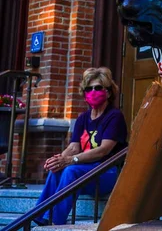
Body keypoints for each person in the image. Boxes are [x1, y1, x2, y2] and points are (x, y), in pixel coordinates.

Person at [34, 67, 127, 225]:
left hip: (108, 171)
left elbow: (103, 150)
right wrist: (58, 159)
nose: (93, 91)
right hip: (87, 171)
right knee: (58, 169)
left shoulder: (114, 116)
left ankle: (55, 222)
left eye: (98, 88)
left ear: (109, 92)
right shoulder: (83, 118)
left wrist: (70, 160)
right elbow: (73, 147)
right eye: (88, 89)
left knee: (71, 170)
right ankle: (40, 217)